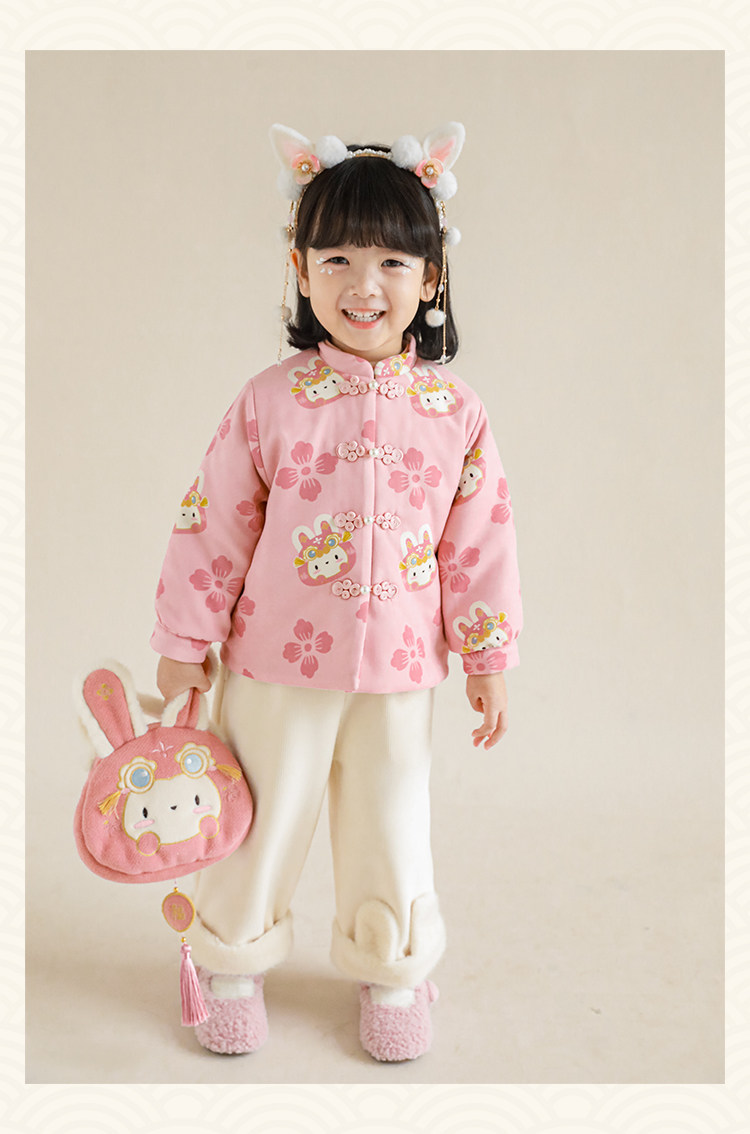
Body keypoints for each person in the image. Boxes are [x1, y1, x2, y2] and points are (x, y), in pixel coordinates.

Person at [152, 122, 523, 1062]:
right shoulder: (270, 401)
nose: (366, 284)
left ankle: (392, 966)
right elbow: (213, 522)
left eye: (393, 261)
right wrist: (184, 641)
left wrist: (487, 656)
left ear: (432, 277)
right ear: (301, 271)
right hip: (274, 665)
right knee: (263, 814)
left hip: (401, 670)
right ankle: (230, 957)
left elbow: (479, 543)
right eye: (339, 259)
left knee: (391, 822)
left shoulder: (456, 412)